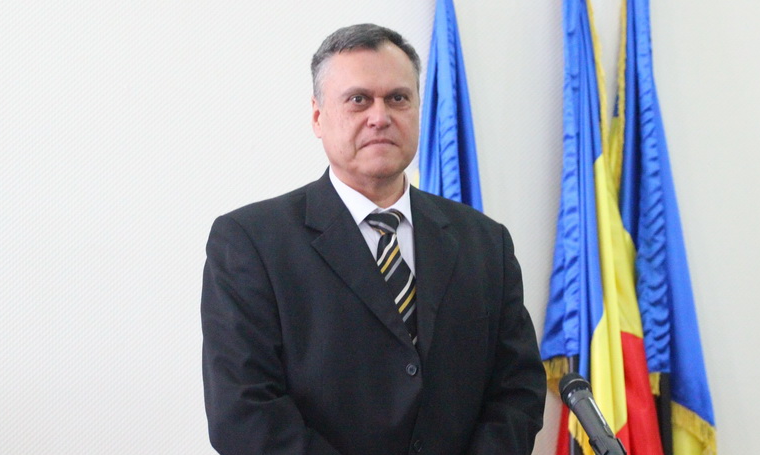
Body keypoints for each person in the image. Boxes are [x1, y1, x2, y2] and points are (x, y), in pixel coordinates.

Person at [201, 23, 546, 455]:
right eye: (358, 99)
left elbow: (518, 390)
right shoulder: (251, 243)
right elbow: (244, 414)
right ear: (317, 117)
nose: (380, 117)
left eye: (398, 98)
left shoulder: (485, 242)